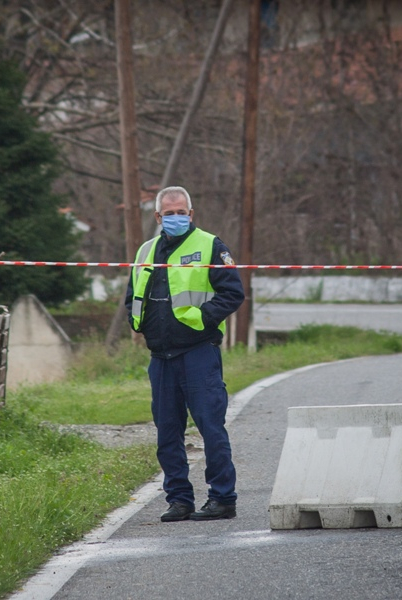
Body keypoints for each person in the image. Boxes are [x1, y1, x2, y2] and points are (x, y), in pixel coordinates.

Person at [125, 186, 244, 522]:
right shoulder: (146, 250)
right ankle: (179, 500)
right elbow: (131, 294)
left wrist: (202, 319)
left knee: (210, 427)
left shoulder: (210, 245)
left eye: (181, 212)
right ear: (158, 216)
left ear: (190, 214)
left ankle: (223, 499)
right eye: (168, 213)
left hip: (198, 353)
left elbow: (232, 293)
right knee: (168, 432)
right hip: (161, 358)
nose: (175, 218)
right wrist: (140, 325)